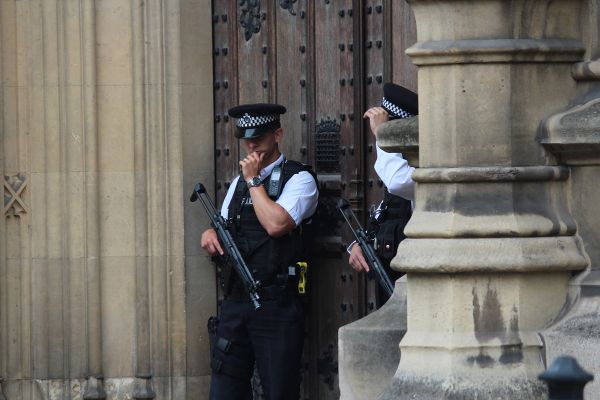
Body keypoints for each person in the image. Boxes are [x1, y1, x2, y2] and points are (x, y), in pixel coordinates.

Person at [201, 103, 319, 400]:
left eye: (259, 137)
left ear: (277, 134)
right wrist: (210, 233)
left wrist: (255, 181)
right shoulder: (240, 183)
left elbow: (276, 224)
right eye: (246, 138)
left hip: (275, 304)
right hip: (236, 302)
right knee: (224, 390)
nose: (251, 144)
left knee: (279, 390)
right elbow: (225, 224)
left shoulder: (299, 179)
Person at [348, 83, 417, 301]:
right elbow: (388, 210)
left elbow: (399, 182)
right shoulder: (399, 164)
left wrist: (382, 136)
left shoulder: (416, 168)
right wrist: (360, 244)